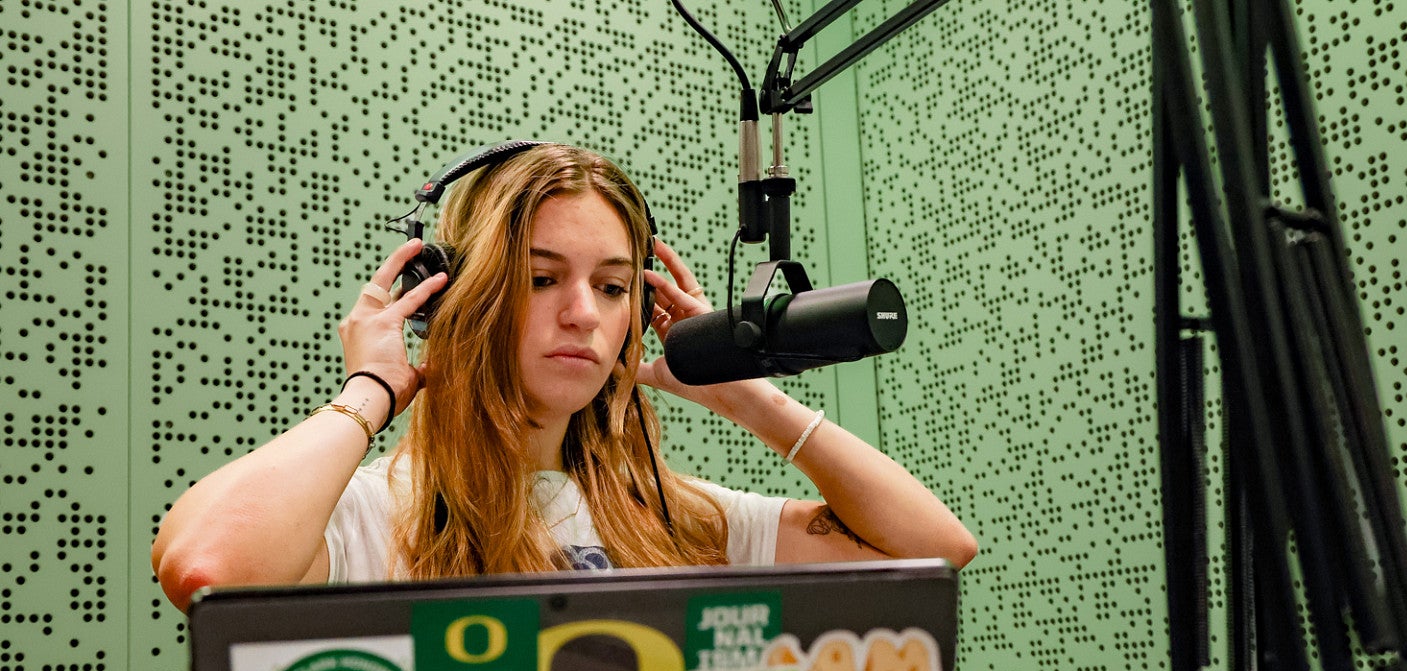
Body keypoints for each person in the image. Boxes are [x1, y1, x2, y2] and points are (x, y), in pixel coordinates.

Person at [152, 143, 976, 611]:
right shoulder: (371, 517)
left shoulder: (677, 520)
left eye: (613, 287)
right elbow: (211, 567)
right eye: (543, 278)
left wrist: (748, 396)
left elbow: (934, 549)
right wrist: (369, 394)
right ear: (456, 301)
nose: (584, 312)